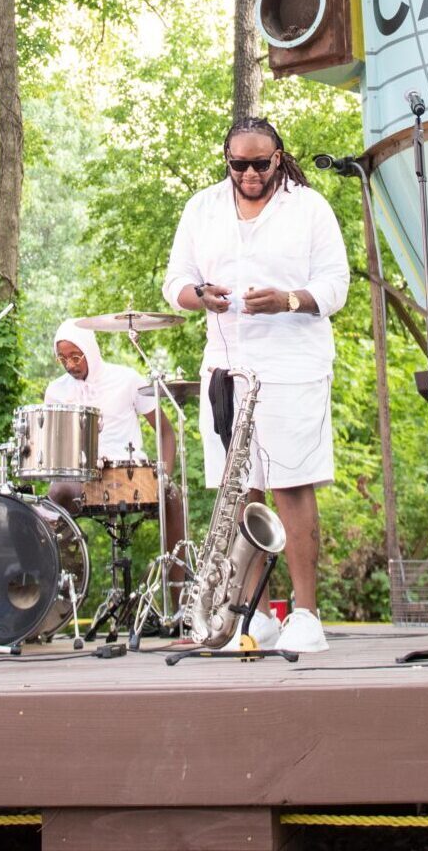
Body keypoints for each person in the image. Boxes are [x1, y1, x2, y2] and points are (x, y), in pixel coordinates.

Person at [161, 116, 349, 653]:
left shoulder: (309, 207)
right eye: (238, 164)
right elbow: (174, 281)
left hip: (292, 363)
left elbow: (335, 285)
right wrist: (200, 295)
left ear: (278, 157)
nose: (249, 174)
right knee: (240, 488)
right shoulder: (202, 208)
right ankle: (255, 613)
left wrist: (289, 299)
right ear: (227, 160)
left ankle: (306, 613)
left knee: (292, 482)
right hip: (226, 364)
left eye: (259, 164)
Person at [43, 320, 185, 582]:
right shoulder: (56, 390)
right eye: (62, 358)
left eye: (76, 357)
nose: (70, 365)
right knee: (54, 495)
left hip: (128, 475)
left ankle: (179, 601)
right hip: (82, 479)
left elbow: (166, 432)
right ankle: (65, 586)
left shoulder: (127, 378)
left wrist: (164, 475)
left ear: (91, 351)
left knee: (173, 496)